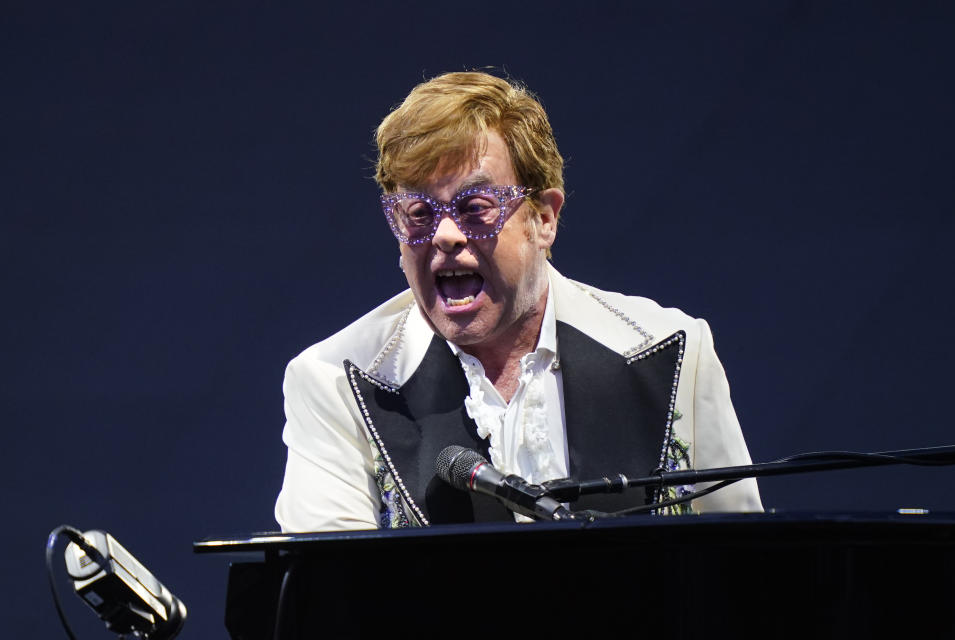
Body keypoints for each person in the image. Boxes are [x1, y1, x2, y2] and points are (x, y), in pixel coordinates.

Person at [275, 71, 762, 532]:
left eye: (475, 209)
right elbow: (329, 597)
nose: (444, 235)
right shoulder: (335, 382)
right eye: (419, 213)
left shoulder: (671, 347)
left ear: (543, 219)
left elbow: (743, 571)